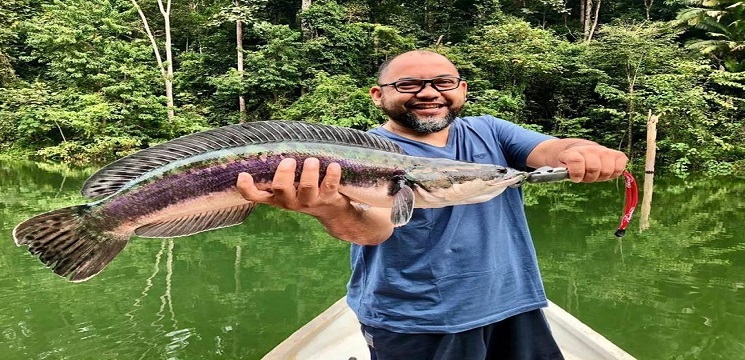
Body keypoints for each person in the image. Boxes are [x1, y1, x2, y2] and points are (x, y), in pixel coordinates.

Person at [235, 50, 628, 360]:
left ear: (462, 89)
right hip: (417, 322)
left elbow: (551, 150)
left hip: (514, 305)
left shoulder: (490, 131)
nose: (428, 93)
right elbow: (373, 230)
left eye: (443, 82)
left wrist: (585, 151)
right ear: (379, 95)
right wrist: (329, 208)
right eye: (408, 84)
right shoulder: (360, 154)